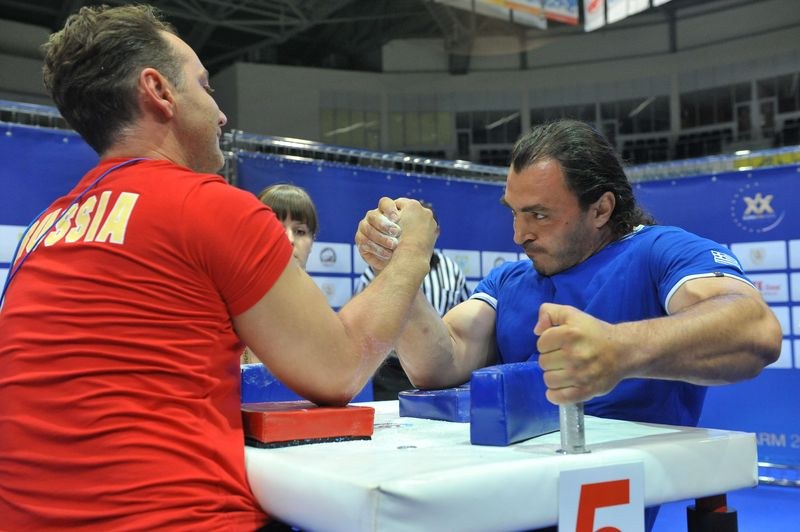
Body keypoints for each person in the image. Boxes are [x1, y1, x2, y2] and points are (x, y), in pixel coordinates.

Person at [0, 5, 437, 530]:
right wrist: (413, 251)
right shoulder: (208, 205)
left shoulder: (44, 228)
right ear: (159, 91)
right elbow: (340, 370)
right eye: (206, 87)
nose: (222, 113)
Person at [356, 118, 781, 427]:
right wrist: (397, 269)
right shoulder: (509, 282)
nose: (519, 235)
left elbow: (755, 329)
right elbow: (439, 365)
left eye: (539, 215)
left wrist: (618, 350)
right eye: (516, 214)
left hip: (606, 491)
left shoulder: (659, 250)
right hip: (511, 485)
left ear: (601, 209)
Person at [354, 201, 470, 399]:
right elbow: (363, 320)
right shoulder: (377, 269)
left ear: (435, 232)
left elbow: (466, 321)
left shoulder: (452, 271)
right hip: (391, 370)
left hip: (440, 367)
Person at [241, 183, 318, 365]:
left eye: (300, 231)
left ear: (312, 241)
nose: (289, 240)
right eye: (275, 228)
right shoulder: (228, 314)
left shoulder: (322, 321)